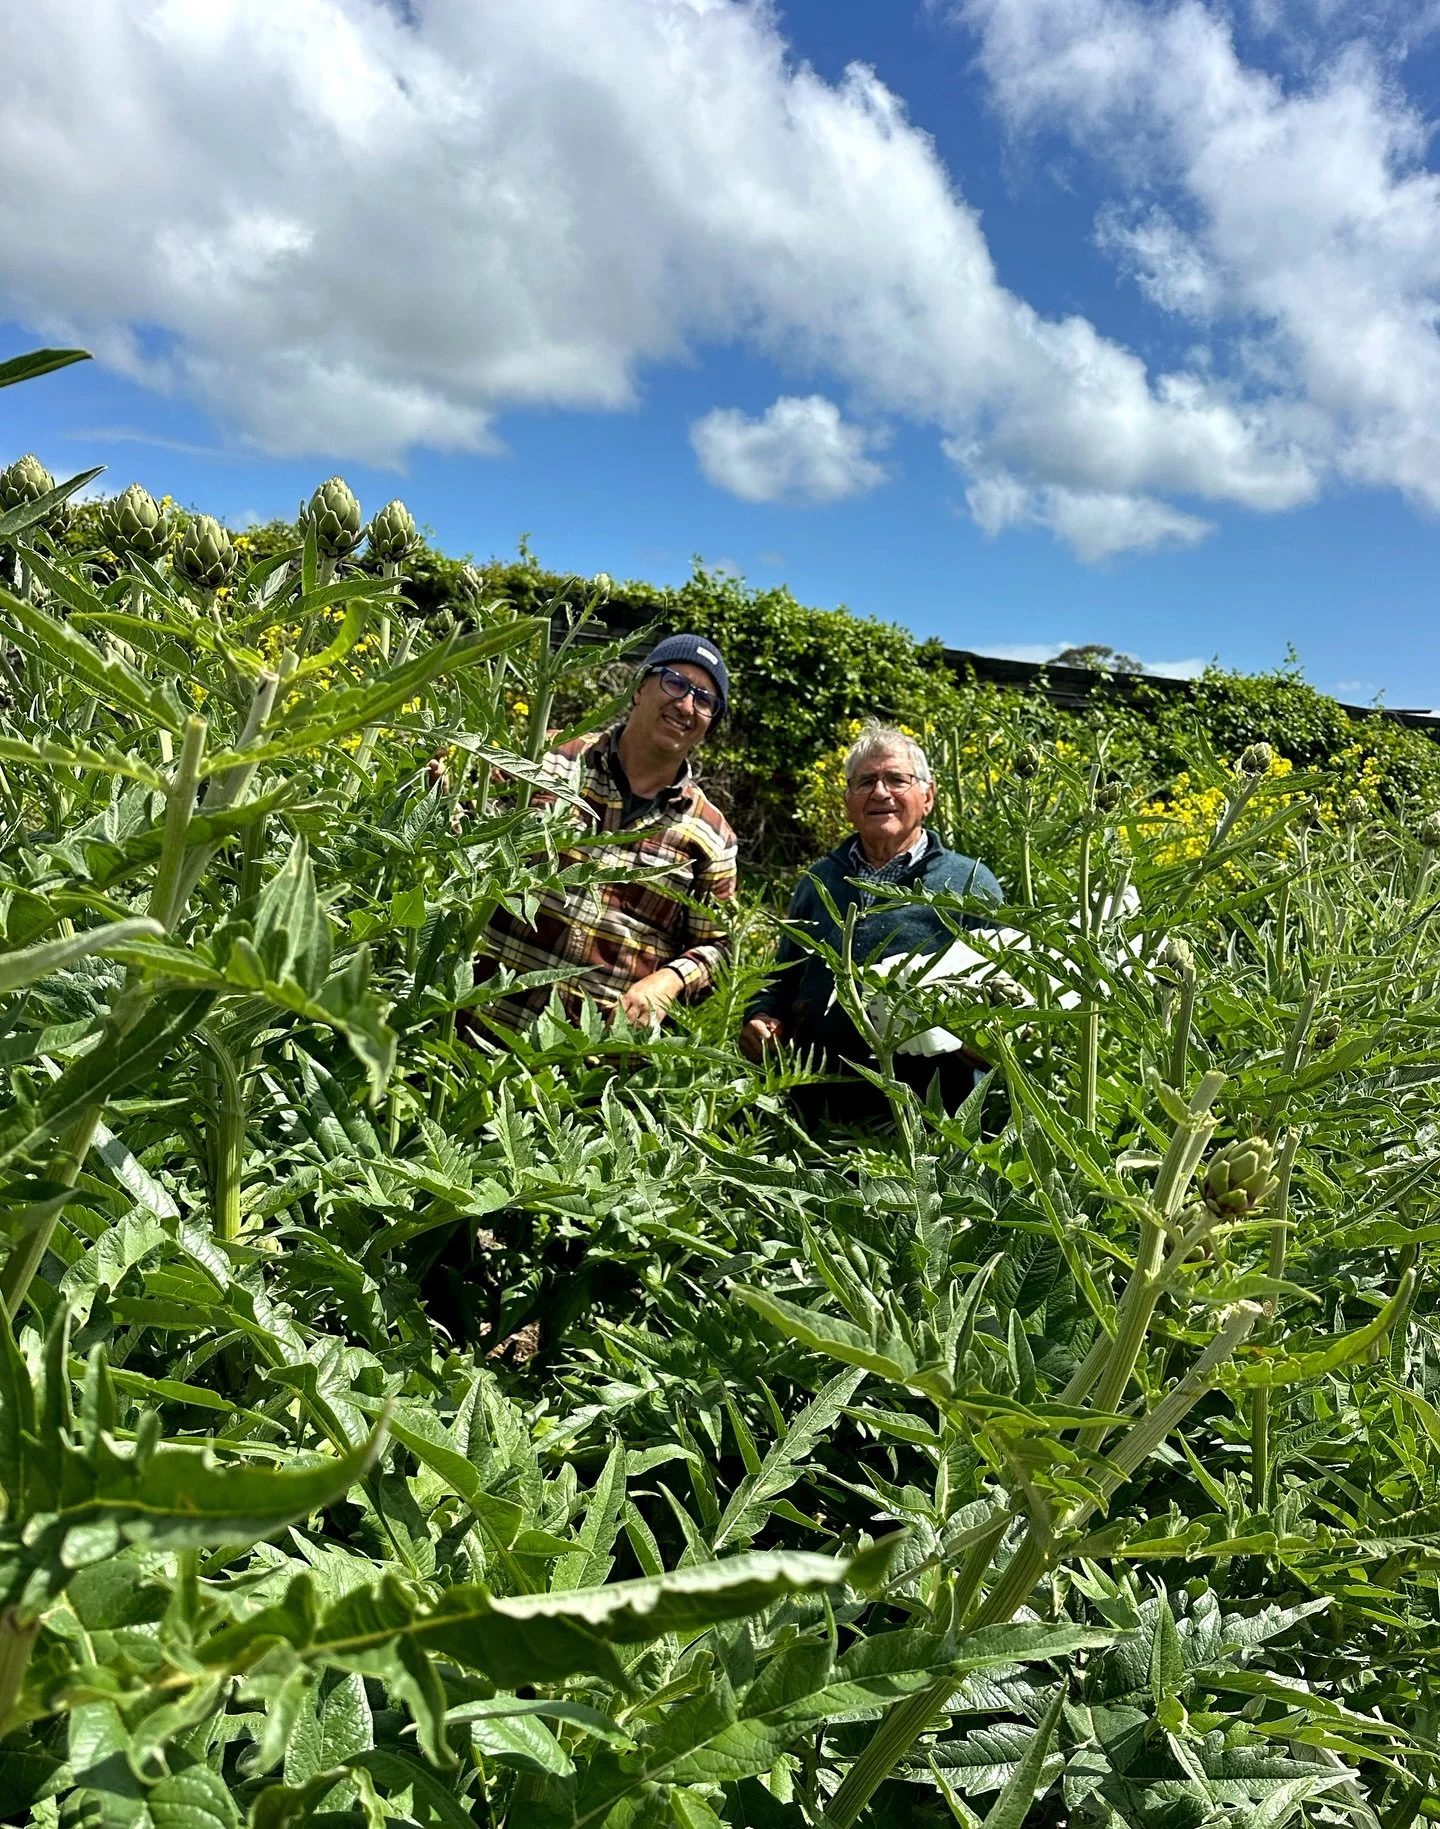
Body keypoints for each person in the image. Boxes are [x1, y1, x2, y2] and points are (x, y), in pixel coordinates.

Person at [472, 634, 738, 1033]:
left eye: (704, 700)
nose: (686, 705)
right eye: (676, 683)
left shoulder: (710, 835)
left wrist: (670, 981)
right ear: (638, 688)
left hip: (586, 1067)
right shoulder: (545, 760)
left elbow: (718, 947)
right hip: (478, 1021)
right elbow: (463, 821)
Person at [738, 720, 1002, 1119]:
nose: (880, 792)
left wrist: (985, 1037)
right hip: (817, 1117)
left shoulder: (969, 883)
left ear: (927, 796)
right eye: (865, 781)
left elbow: (1005, 992)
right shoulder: (818, 881)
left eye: (897, 779)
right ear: (847, 799)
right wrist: (760, 1016)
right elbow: (782, 979)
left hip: (930, 1123)